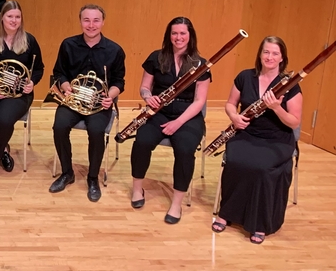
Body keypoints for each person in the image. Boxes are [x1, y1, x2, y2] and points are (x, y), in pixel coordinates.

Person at [212, 37, 301, 244]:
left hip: (277, 138)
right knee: (235, 161)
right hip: (247, 133)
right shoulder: (245, 77)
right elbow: (230, 104)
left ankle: (260, 222)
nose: (269, 57)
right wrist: (234, 117)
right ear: (260, 55)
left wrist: (277, 108)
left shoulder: (290, 85)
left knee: (261, 168)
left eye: (275, 53)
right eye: (266, 52)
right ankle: (228, 212)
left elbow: (294, 122)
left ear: (282, 58)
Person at [129, 17, 209, 224]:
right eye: (174, 33)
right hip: (159, 111)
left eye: (183, 33)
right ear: (169, 35)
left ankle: (176, 203)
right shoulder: (156, 57)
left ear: (190, 36)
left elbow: (199, 101)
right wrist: (148, 97)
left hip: (188, 116)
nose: (178, 37)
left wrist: (179, 122)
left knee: (184, 150)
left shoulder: (200, 64)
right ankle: (137, 188)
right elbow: (144, 87)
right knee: (142, 141)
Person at [50, 4, 125, 202]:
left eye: (96, 20)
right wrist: (66, 86)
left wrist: (111, 95)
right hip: (73, 100)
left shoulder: (115, 50)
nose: (91, 25)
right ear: (80, 21)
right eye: (86, 20)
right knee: (59, 126)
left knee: (96, 131)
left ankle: (93, 178)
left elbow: (119, 81)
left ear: (103, 22)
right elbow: (59, 72)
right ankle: (67, 172)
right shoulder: (68, 45)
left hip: (99, 103)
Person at [0, 1, 44, 177]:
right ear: (2, 18)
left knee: (4, 120)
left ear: (21, 19)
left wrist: (32, 83)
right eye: (10, 16)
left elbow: (39, 68)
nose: (13, 20)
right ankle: (3, 148)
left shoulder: (29, 40)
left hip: (18, 93)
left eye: (17, 17)